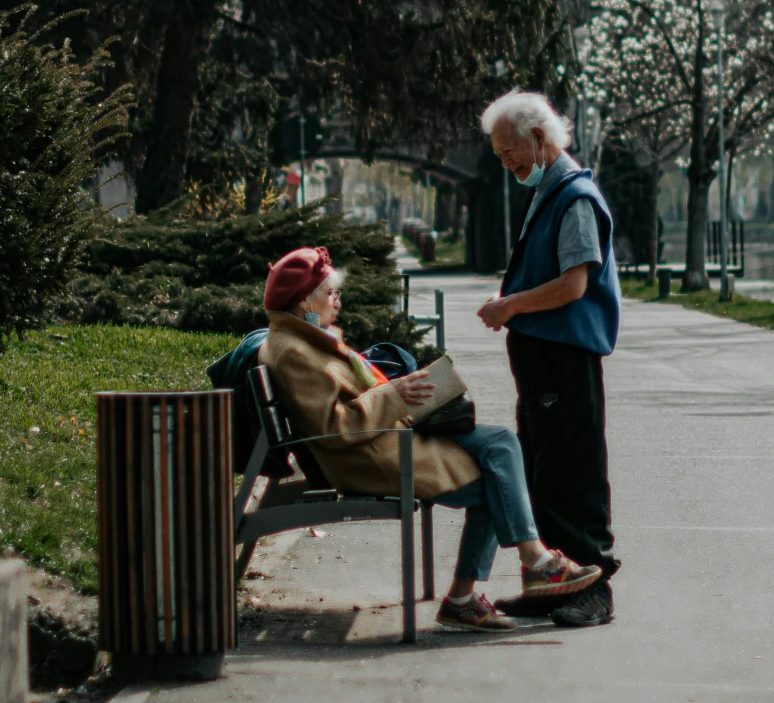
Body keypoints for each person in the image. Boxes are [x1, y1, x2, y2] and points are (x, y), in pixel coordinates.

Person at [259, 245, 601, 633]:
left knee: (502, 445)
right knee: (498, 467)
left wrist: (411, 391)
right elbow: (333, 429)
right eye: (330, 293)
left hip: (388, 437)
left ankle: (510, 574)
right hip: (374, 456)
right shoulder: (295, 352)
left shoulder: (304, 339)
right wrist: (396, 395)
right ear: (305, 299)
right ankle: (510, 574)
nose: (337, 301)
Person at [476, 91, 621, 627]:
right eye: (496, 153)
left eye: (507, 149)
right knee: (544, 471)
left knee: (573, 475)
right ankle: (552, 586)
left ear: (538, 139)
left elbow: (573, 284)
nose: (504, 161)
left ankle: (595, 588)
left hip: (565, 358)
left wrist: (510, 305)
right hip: (543, 362)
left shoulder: (574, 196)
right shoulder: (549, 191)